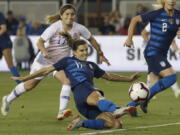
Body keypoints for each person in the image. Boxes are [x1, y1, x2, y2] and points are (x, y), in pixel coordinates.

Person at [1, 4, 110, 120]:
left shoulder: (79, 28)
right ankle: (7, 99)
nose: (70, 16)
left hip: (60, 63)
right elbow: (40, 42)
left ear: (75, 16)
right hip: (44, 61)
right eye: (67, 14)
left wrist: (101, 54)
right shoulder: (55, 27)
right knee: (29, 85)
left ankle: (61, 112)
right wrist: (44, 52)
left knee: (67, 81)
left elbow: (91, 39)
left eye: (72, 14)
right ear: (61, 16)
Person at [9, 35, 141, 130]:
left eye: (86, 50)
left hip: (83, 104)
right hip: (82, 90)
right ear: (75, 52)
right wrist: (25, 78)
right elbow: (46, 70)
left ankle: (81, 123)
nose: (84, 53)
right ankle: (116, 109)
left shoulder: (91, 65)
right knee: (97, 96)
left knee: (115, 125)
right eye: (81, 51)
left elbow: (109, 76)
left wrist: (129, 79)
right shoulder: (67, 61)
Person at [124, 0, 179, 113]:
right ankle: (141, 102)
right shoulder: (157, 14)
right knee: (171, 77)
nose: (172, 1)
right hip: (153, 52)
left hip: (161, 53)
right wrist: (129, 38)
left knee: (153, 84)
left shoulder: (178, 15)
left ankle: (129, 108)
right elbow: (135, 20)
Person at [141, 23, 180, 98]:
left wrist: (178, 50)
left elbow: (172, 41)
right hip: (150, 52)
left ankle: (148, 92)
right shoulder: (154, 21)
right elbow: (143, 33)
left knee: (153, 72)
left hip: (159, 53)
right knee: (167, 72)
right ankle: (176, 90)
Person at [0, 12, 20, 84]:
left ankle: (19, 82)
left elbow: (3, 28)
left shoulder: (0, 14)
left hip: (4, 41)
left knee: (10, 64)